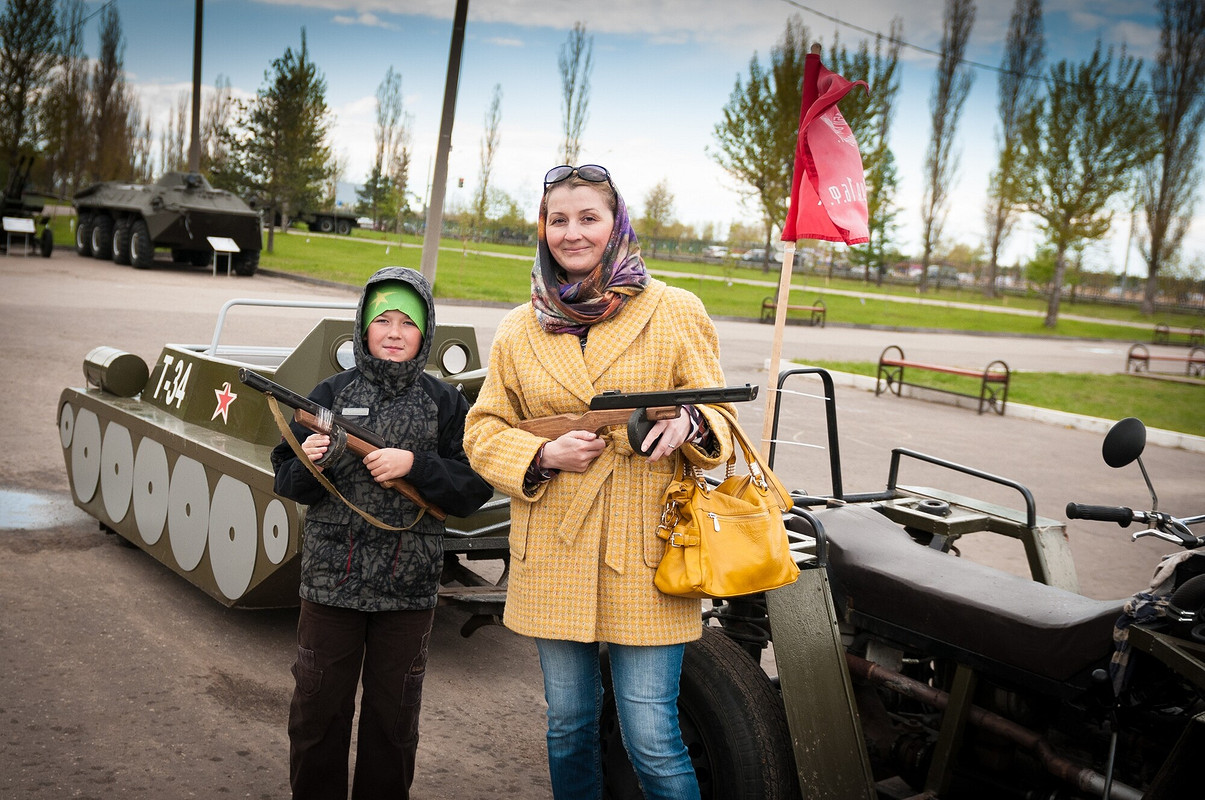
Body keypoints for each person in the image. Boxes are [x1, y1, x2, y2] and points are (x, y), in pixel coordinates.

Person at [463, 164, 734, 800]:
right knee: (569, 725)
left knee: (652, 735)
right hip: (555, 547)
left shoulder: (673, 311)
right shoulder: (518, 327)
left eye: (589, 218)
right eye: (559, 220)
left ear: (616, 225)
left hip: (646, 552)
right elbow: (482, 431)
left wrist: (691, 425)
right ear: (543, 228)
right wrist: (543, 454)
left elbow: (721, 413)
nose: (573, 233)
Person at [271, 266, 493, 800]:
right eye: (383, 320)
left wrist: (414, 465)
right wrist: (313, 462)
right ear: (363, 328)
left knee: (392, 729)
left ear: (425, 333)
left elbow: (471, 488)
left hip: (407, 593)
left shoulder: (445, 403)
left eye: (407, 323)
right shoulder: (329, 392)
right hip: (330, 588)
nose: (394, 332)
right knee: (316, 718)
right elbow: (288, 479)